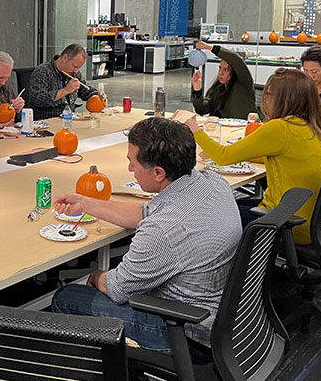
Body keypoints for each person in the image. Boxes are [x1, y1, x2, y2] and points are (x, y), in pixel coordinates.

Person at [51, 117, 241, 351]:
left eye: (133, 162)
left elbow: (116, 288)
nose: (130, 168)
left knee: (66, 297)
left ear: (159, 173)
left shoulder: (163, 230)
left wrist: (94, 275)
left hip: (187, 333)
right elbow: (146, 212)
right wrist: (86, 203)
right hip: (224, 316)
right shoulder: (211, 182)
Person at [187, 68, 321, 245]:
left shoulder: (280, 128)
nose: (265, 98)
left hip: (280, 223)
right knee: (228, 206)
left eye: (269, 94)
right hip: (307, 223)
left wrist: (196, 131)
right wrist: (246, 154)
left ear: (284, 99)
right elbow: (280, 158)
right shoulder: (312, 127)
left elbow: (222, 157)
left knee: (208, 214)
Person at [28, 44, 102, 120]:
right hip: (47, 120)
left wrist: (97, 95)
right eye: (74, 66)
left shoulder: (74, 73)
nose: (76, 71)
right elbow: (37, 99)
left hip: (70, 119)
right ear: (65, 58)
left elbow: (85, 90)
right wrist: (66, 90)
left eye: (78, 68)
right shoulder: (43, 71)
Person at [191, 41, 256, 119]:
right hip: (218, 127)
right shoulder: (218, 88)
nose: (220, 73)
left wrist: (209, 47)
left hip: (239, 128)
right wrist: (197, 90)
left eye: (225, 70)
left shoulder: (243, 84)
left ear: (234, 72)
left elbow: (236, 60)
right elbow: (202, 110)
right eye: (220, 68)